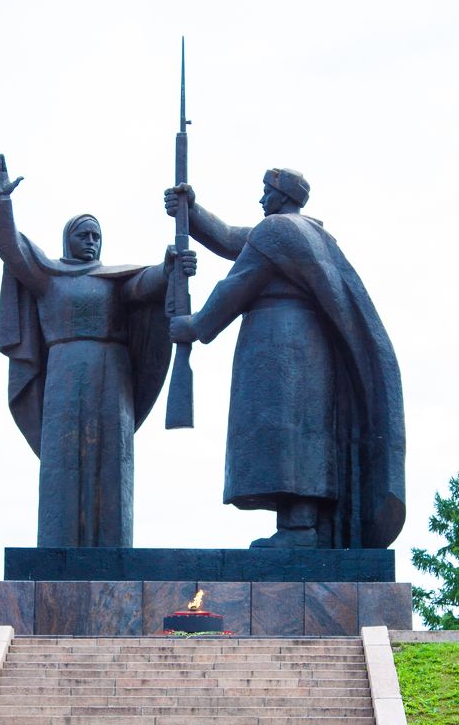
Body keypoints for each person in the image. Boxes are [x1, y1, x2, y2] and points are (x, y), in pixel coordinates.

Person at [165, 168, 405, 549]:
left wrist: (195, 325)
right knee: (298, 436)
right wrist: (190, 211)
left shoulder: (277, 230)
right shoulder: (305, 235)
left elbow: (237, 284)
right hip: (304, 344)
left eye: (266, 192)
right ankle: (300, 527)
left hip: (282, 342)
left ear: (284, 195)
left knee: (287, 438)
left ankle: (299, 531)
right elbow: (230, 239)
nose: (262, 199)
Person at [0, 152, 195, 548]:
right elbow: (12, 249)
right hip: (65, 373)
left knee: (112, 460)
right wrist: (0, 202)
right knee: (63, 459)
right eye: (84, 235)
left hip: (113, 376)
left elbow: (145, 284)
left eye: (96, 237)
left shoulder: (114, 281)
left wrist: (169, 268)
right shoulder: (49, 278)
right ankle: (57, 544)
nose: (91, 242)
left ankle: (112, 546)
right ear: (68, 239)